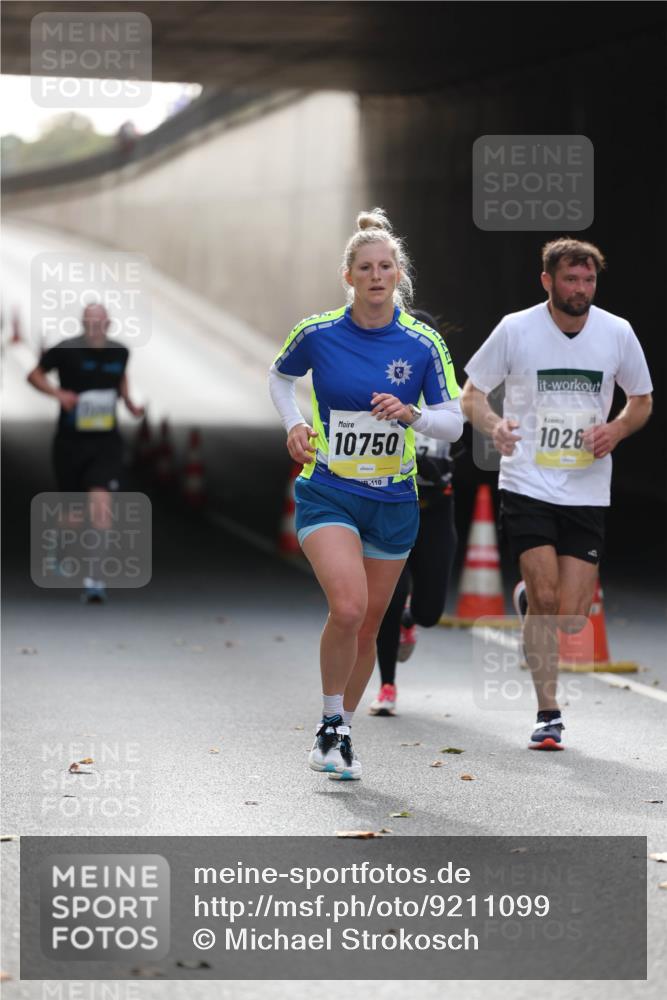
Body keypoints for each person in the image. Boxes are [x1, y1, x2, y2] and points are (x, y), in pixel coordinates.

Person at [268, 208, 463, 780]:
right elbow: (280, 376)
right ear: (348, 276)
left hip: (394, 500)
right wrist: (293, 424)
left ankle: (340, 732)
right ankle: (330, 720)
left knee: (372, 622)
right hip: (329, 490)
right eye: (365, 267)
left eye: (386, 266)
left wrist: (413, 415)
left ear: (399, 274)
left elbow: (453, 423)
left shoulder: (423, 343)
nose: (376, 276)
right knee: (348, 608)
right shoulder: (318, 334)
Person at [461, 238, 653, 750]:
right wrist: (495, 426)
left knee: (570, 613)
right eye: (571, 280)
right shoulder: (516, 328)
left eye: (588, 280)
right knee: (547, 597)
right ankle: (549, 713)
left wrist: (616, 430)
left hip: (587, 487)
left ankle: (530, 601)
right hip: (527, 481)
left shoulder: (617, 333)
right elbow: (471, 394)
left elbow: (641, 401)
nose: (580, 290)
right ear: (547, 281)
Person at [370, 310, 458, 717]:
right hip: (392, 508)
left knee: (429, 611)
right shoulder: (383, 389)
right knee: (389, 596)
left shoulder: (448, 394)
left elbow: (468, 436)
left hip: (437, 509)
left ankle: (411, 619)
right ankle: (387, 685)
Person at [27, 303, 144, 603]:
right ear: (82, 324)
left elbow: (120, 376)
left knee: (101, 510)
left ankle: (95, 580)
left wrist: (129, 401)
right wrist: (58, 393)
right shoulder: (65, 350)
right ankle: (61, 542)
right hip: (70, 443)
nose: (95, 328)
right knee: (73, 516)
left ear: (108, 325)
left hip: (106, 444)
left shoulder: (120, 352)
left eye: (100, 323)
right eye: (89, 322)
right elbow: (34, 375)